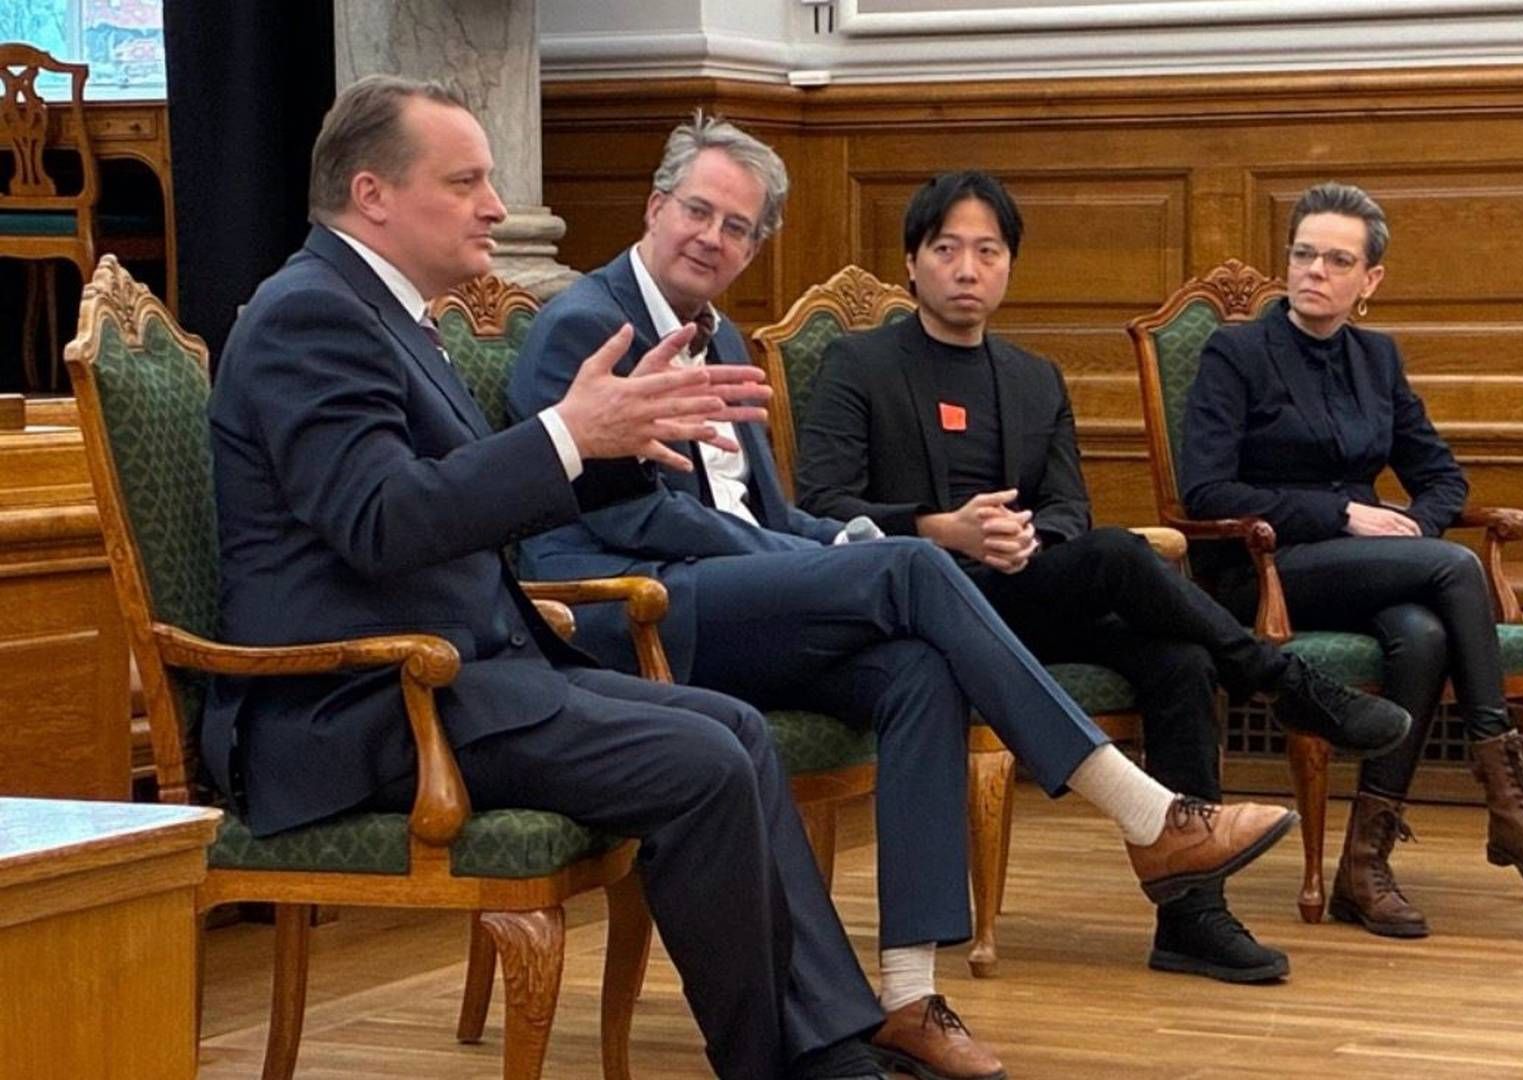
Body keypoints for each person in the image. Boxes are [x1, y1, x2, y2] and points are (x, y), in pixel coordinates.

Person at [509, 113, 1325, 1080]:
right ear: (655, 207)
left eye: (738, 228)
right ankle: (1147, 814)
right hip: (628, 610)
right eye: (698, 212)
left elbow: (766, 506)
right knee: (911, 564)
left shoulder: (717, 332)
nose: (713, 238)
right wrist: (813, 554)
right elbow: (630, 515)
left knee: (917, 668)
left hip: (728, 593)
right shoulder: (587, 322)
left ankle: (907, 993)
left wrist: (829, 545)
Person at [205, 75, 894, 1080]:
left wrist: (607, 445)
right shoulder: (309, 316)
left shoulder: (387, 312)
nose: (496, 206)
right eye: (466, 182)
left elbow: (460, 500)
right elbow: (382, 521)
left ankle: (827, 1045)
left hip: (465, 674)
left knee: (737, 730)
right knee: (702, 764)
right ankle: (775, 1065)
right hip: (362, 702)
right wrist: (568, 433)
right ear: (372, 193)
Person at [793, 170, 1412, 987]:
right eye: (946, 250)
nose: (967, 269)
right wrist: (945, 529)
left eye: (988, 251)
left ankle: (1191, 918)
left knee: (1178, 658)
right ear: (912, 262)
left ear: (1009, 266)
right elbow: (821, 506)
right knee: (1122, 555)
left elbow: (1068, 508)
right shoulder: (859, 364)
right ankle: (1279, 679)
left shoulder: (1033, 377)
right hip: (918, 600)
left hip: (1022, 588)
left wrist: (1025, 537)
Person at [1178, 180, 1523, 938]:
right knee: (1454, 568)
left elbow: (1441, 477)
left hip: (1364, 569)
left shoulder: (1376, 357)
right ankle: (1509, 801)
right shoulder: (1237, 353)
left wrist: (1412, 529)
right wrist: (1343, 514)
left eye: (1337, 260)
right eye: (1303, 254)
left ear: (1369, 280)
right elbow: (1205, 489)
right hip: (1263, 570)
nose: (1315, 271)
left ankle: (1364, 868)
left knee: (1424, 632)